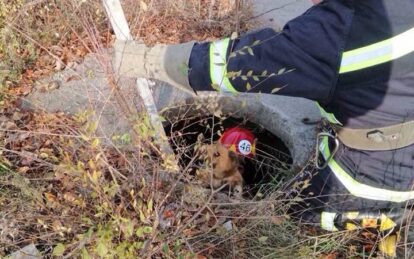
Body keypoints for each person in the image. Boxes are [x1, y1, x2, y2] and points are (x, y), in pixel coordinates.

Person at [113, 0, 414, 255]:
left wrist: (149, 60)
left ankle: (384, 231)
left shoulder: (338, 32)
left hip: (375, 179)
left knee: (294, 212)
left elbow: (236, 64)